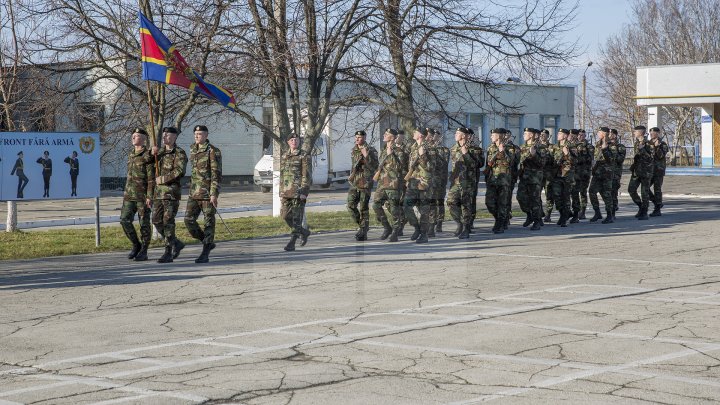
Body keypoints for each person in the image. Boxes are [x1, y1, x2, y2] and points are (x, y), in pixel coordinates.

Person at [184, 125, 222, 263]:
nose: (196, 136)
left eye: (199, 134)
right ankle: (207, 242)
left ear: (206, 135)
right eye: (195, 133)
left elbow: (216, 174)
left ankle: (205, 252)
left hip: (207, 193)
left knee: (208, 223)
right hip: (194, 193)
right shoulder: (193, 149)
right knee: (188, 220)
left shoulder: (213, 151)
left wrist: (214, 194)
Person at [151, 127, 188, 263]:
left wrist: (163, 179)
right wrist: (151, 152)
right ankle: (176, 243)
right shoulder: (159, 152)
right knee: (156, 220)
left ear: (174, 137)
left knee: (168, 222)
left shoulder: (179, 153)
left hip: (171, 193)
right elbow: (148, 163)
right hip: (158, 193)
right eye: (164, 135)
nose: (165, 137)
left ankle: (168, 252)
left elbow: (179, 171)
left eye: (168, 135)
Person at [120, 128, 155, 261]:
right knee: (124, 220)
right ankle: (136, 244)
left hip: (142, 196)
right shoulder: (131, 154)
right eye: (133, 136)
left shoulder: (147, 155)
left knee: (144, 224)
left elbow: (151, 178)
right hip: (129, 195)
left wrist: (149, 196)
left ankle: (144, 250)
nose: (133, 138)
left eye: (137, 136)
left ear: (144, 139)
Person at [372, 128, 407, 242]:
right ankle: (387, 227)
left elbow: (399, 168)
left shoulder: (399, 151)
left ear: (392, 137)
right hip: (382, 183)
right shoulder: (383, 150)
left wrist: (391, 155)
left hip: (393, 184)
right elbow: (381, 166)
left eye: (386, 134)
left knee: (394, 208)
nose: (384, 135)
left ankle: (396, 231)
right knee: (376, 205)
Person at [279, 134, 311, 251]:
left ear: (299, 142)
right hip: (286, 193)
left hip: (298, 192)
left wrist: (304, 192)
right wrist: (281, 192)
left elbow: (306, 175)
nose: (294, 141)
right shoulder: (284, 156)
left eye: (296, 140)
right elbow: (282, 176)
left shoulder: (304, 155)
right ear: (288, 142)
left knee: (297, 219)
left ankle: (292, 242)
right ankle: (304, 231)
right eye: (291, 140)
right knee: (285, 216)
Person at [403, 127, 434, 243]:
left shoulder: (430, 148)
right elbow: (411, 165)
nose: (413, 133)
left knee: (424, 211)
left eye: (415, 132)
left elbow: (431, 167)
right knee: (406, 205)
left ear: (420, 135)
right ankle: (416, 228)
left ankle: (424, 234)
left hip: (424, 184)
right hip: (413, 182)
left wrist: (423, 156)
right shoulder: (413, 147)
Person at [347, 130, 378, 241]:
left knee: (363, 208)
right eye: (356, 137)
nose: (357, 139)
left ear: (364, 137)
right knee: (350, 205)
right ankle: (363, 226)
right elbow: (353, 166)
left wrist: (366, 156)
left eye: (359, 137)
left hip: (365, 182)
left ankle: (363, 231)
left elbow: (375, 166)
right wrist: (351, 175)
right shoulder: (354, 150)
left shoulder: (371, 150)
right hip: (355, 182)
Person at [485, 128, 514, 234]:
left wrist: (502, 152)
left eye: (493, 135)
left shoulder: (510, 148)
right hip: (492, 179)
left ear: (500, 136)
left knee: (502, 203)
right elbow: (488, 163)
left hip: (504, 180)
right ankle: (499, 219)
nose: (491, 136)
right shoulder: (490, 147)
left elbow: (510, 162)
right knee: (489, 203)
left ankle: (500, 223)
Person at [516, 128, 545, 231]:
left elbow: (542, 163)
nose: (524, 135)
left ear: (532, 135)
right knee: (520, 197)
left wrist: (534, 155)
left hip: (535, 178)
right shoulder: (522, 147)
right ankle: (529, 214)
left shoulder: (540, 147)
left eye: (526, 133)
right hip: (524, 177)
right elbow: (519, 160)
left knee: (535, 200)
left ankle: (537, 221)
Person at [588, 127, 616, 224]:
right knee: (591, 191)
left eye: (599, 132)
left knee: (606, 194)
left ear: (604, 133)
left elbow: (611, 160)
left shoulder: (612, 145)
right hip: (597, 173)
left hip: (606, 174)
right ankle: (597, 212)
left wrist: (605, 149)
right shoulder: (597, 144)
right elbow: (596, 157)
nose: (598, 134)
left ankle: (610, 215)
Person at [628, 125, 654, 220]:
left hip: (646, 171)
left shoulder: (649, 143)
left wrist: (642, 149)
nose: (634, 133)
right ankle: (640, 206)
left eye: (635, 132)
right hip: (637, 171)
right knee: (631, 190)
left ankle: (644, 212)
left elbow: (651, 157)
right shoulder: (636, 143)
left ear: (640, 132)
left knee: (644, 192)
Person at [551, 128, 576, 227]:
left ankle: (564, 217)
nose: (558, 135)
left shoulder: (571, 146)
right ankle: (563, 213)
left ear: (565, 136)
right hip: (556, 175)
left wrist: (567, 154)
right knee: (556, 196)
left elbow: (575, 161)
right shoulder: (554, 146)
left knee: (566, 197)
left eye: (560, 133)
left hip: (567, 176)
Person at [430, 129, 450, 235]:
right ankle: (432, 223)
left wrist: (435, 150)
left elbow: (443, 163)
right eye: (432, 136)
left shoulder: (444, 150)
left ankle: (440, 222)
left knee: (440, 202)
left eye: (436, 136)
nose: (433, 138)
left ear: (439, 137)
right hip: (430, 180)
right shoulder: (428, 148)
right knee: (431, 202)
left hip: (440, 180)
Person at [648, 127, 669, 216]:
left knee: (657, 189)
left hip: (658, 170)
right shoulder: (648, 143)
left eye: (654, 132)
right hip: (649, 170)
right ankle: (657, 202)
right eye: (651, 133)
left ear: (658, 133)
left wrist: (657, 147)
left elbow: (661, 156)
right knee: (645, 188)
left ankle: (657, 209)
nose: (652, 134)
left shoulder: (663, 144)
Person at [575, 129, 594, 219]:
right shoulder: (574, 145)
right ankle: (576, 210)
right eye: (579, 135)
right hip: (575, 173)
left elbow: (589, 158)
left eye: (582, 135)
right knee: (574, 192)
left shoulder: (589, 146)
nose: (580, 136)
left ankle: (582, 211)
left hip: (584, 173)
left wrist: (578, 155)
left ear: (585, 136)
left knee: (582, 192)